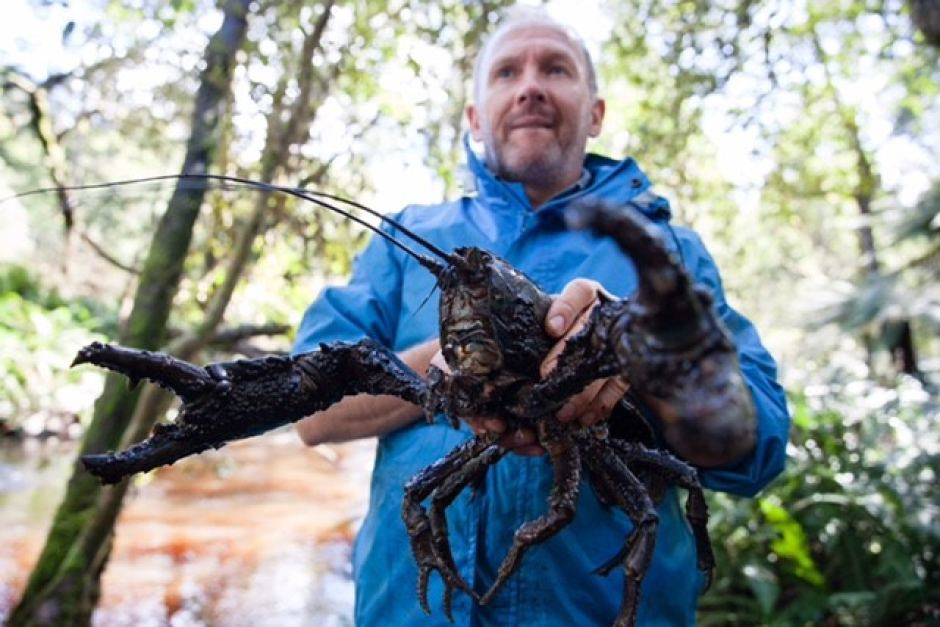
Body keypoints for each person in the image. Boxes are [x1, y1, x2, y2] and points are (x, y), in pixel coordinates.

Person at [293, 8, 789, 626]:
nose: (530, 85)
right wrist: (454, 357)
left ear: (596, 113)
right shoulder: (406, 239)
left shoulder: (666, 253)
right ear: (474, 118)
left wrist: (639, 354)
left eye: (556, 68)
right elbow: (309, 410)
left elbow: (761, 447)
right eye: (506, 72)